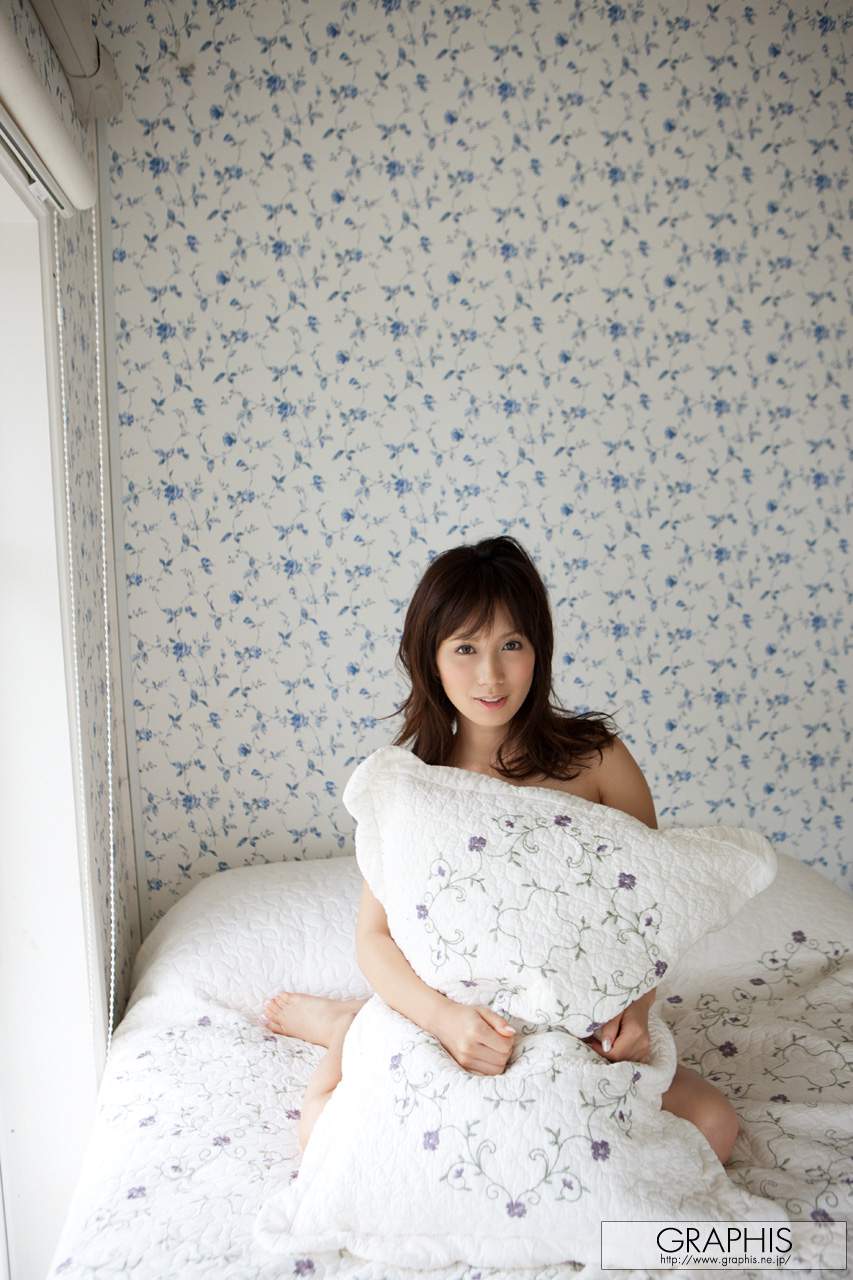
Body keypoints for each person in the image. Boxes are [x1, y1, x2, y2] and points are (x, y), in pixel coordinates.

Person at [261, 536, 739, 1165]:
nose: (490, 675)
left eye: (511, 645)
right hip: (449, 1021)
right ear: (431, 660)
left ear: (538, 649)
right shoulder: (411, 785)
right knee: (325, 1139)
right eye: (465, 648)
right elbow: (374, 938)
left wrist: (636, 1008)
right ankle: (345, 1027)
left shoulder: (597, 761)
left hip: (575, 1025)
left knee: (714, 1129)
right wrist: (444, 1021)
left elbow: (649, 918)